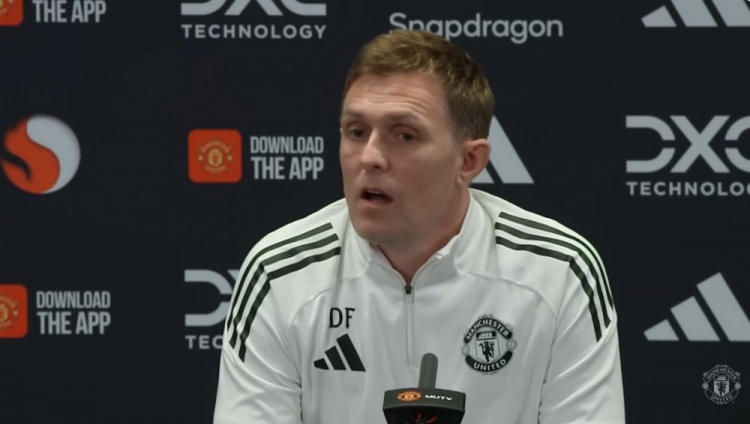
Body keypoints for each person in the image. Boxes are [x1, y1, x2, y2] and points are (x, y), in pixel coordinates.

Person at [213, 29, 625, 424]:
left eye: (404, 136)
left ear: (469, 161)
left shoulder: (559, 272)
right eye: (356, 131)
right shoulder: (280, 273)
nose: (369, 157)